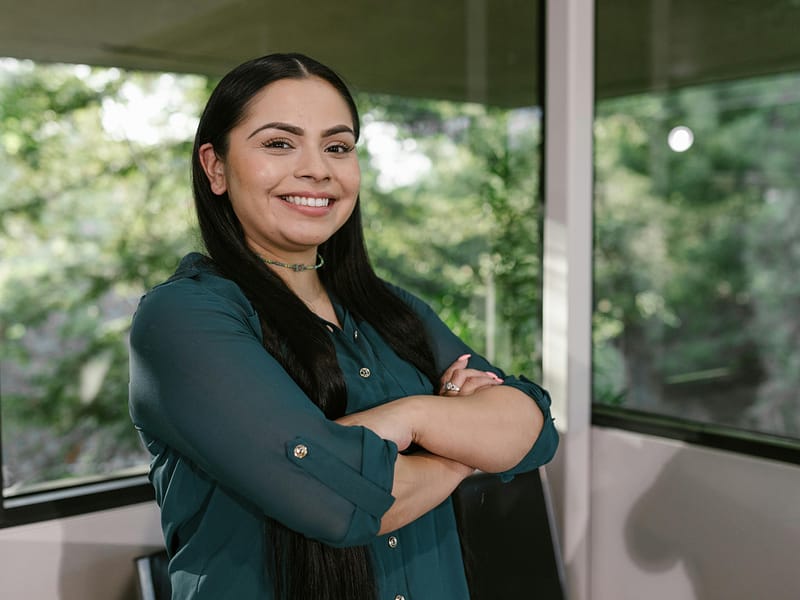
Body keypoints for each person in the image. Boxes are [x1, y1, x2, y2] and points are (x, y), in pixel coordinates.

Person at [128, 52, 558, 600]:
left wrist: (411, 417)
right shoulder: (183, 319)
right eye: (279, 143)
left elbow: (534, 432)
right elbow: (337, 502)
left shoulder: (392, 311)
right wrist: (462, 447)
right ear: (215, 166)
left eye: (337, 147)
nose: (318, 169)